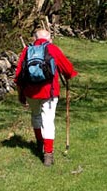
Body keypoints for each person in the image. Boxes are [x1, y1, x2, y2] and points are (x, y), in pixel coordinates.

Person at [15, 29, 77, 166]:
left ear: (34, 38)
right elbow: (68, 69)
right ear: (49, 38)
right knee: (48, 121)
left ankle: (39, 144)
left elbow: (18, 76)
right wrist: (69, 76)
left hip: (31, 92)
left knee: (36, 116)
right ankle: (48, 155)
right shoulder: (52, 48)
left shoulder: (26, 51)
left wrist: (21, 95)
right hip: (49, 92)